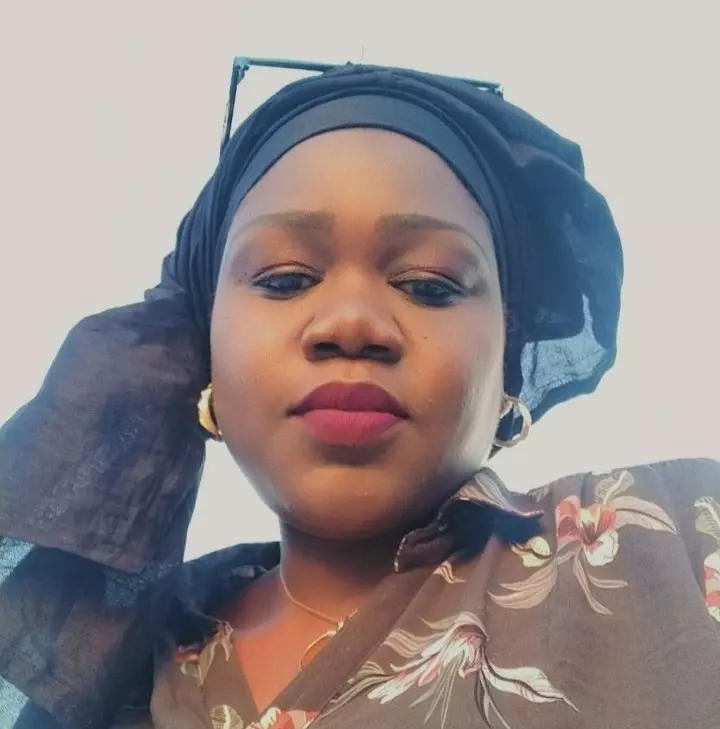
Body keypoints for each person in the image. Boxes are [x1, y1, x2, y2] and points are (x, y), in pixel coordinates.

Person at [0, 63, 718, 729]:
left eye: (428, 285)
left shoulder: (681, 542)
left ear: (507, 355)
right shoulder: (108, 674)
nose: (351, 323)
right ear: (204, 345)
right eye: (284, 279)